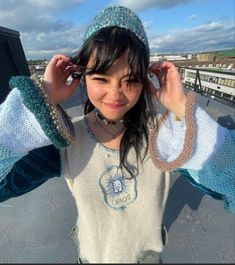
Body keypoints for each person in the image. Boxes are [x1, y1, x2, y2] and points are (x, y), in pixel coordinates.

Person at [0, 5, 234, 264]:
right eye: (101, 78)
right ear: (82, 76)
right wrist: (37, 105)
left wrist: (181, 108)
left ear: (145, 80)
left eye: (130, 80)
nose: (115, 93)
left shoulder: (165, 137)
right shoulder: (67, 140)